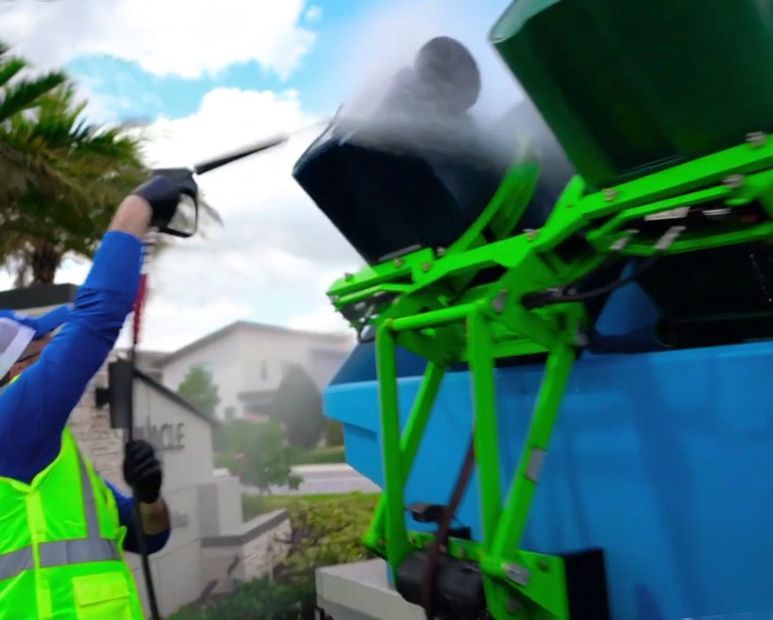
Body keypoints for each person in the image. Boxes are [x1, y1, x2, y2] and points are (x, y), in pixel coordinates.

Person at [0, 175, 191, 619]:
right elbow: (97, 318)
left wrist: (149, 497)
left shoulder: (48, 462)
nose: (55, 349)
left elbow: (148, 537)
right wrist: (138, 207)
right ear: (15, 371)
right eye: (42, 346)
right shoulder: (9, 426)